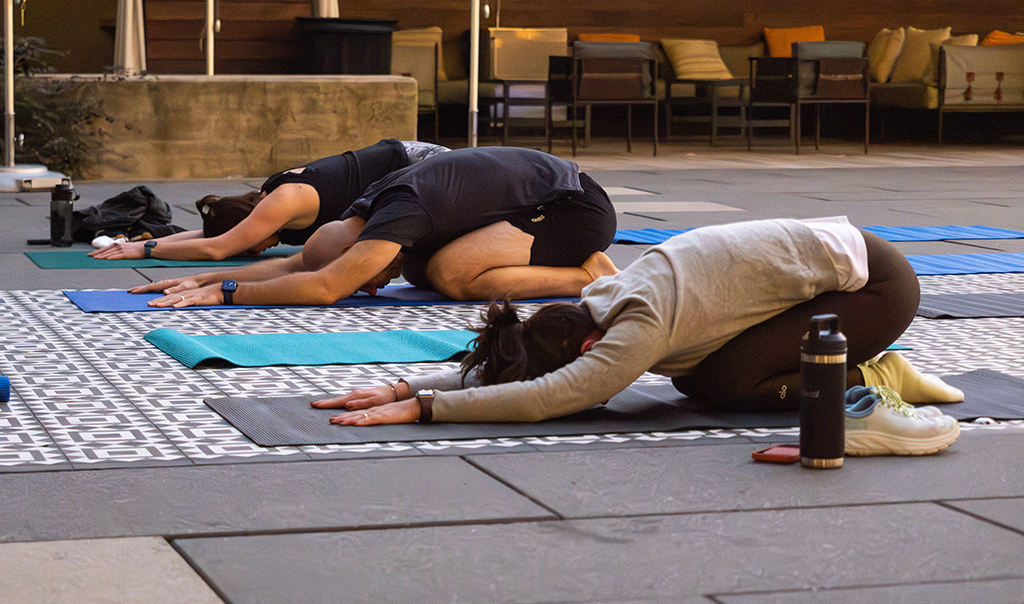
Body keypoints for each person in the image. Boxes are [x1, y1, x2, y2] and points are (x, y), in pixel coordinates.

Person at [312, 216, 965, 427]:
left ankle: (877, 377)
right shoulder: (600, 299)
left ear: (588, 347)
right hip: (839, 269)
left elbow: (549, 394)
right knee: (695, 378)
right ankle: (850, 363)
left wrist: (426, 409)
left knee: (722, 383)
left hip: (877, 286)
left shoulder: (639, 323)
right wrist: (405, 385)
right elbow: (527, 368)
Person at [132, 146, 618, 308]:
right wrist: (200, 278)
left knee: (450, 274)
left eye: (362, 277)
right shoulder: (363, 213)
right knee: (422, 272)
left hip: (572, 209)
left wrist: (227, 293)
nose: (371, 287)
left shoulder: (397, 217)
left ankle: (587, 275)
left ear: (361, 249)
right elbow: (299, 265)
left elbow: (325, 287)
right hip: (535, 198)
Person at [88, 139, 449, 261]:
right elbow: (215, 237)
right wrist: (143, 241)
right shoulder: (264, 209)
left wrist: (146, 251)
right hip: (403, 177)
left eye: (251, 247)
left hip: (421, 165)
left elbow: (218, 248)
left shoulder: (283, 202)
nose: (258, 250)